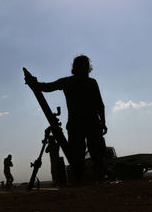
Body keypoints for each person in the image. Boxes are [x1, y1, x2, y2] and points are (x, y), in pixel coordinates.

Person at [33, 55, 107, 183]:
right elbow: (48, 87)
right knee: (83, 156)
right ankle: (85, 181)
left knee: (91, 155)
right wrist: (34, 82)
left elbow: (100, 104)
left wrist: (103, 122)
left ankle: (90, 180)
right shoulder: (79, 82)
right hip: (83, 124)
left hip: (85, 124)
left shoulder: (78, 82)